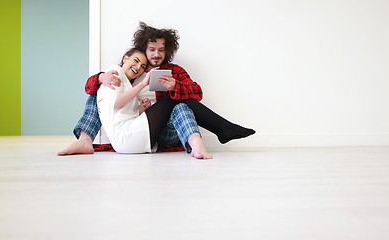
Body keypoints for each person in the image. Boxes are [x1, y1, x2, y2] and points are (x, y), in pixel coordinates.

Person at [58, 22, 255, 157]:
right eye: (152, 49)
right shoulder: (132, 71)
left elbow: (197, 92)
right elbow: (92, 88)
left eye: (161, 50)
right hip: (135, 128)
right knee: (96, 94)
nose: (156, 54)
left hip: (167, 130)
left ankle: (199, 144)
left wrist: (176, 87)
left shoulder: (174, 71)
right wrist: (101, 77)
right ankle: (85, 140)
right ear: (143, 49)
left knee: (177, 105)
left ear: (167, 51)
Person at [96, 48, 212, 158]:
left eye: (142, 66)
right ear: (125, 59)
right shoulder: (115, 71)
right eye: (136, 61)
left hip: (128, 141)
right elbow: (115, 103)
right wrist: (143, 84)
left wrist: (142, 108)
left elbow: (124, 113)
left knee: (178, 103)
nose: (138, 67)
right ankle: (222, 128)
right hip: (126, 137)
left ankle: (210, 135)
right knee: (171, 98)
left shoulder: (128, 84)